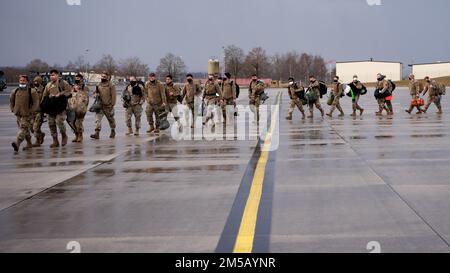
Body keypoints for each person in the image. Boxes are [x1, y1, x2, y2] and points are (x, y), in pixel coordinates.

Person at [43, 69, 72, 147]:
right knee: (51, 124)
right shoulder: (48, 85)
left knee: (59, 122)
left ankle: (64, 135)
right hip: (51, 107)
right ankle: (55, 141)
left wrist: (60, 94)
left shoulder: (63, 83)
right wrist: (44, 106)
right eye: (51, 75)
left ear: (57, 75)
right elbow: (44, 96)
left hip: (61, 106)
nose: (52, 76)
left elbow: (69, 92)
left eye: (54, 75)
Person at [10, 75, 39, 152]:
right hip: (18, 114)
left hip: (27, 114)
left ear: (27, 81)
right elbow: (11, 101)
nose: (22, 82)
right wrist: (13, 109)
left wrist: (31, 112)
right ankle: (29, 143)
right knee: (24, 130)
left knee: (23, 129)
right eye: (20, 80)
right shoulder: (15, 91)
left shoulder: (31, 91)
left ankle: (17, 143)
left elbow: (36, 103)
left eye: (23, 80)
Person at [90, 71, 117, 139]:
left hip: (108, 106)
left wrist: (112, 105)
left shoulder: (111, 85)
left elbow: (114, 96)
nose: (103, 78)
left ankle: (113, 130)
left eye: (104, 77)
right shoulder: (98, 85)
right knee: (97, 120)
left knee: (111, 120)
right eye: (102, 76)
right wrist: (95, 94)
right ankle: (97, 133)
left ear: (107, 77)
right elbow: (95, 93)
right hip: (100, 106)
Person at [68, 73, 89, 142]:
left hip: (81, 108)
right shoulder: (73, 87)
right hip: (73, 107)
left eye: (78, 79)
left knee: (78, 122)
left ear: (81, 79)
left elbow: (86, 98)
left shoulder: (84, 87)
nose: (76, 80)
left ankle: (80, 135)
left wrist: (80, 90)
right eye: (76, 78)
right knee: (72, 122)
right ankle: (76, 134)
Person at [30, 76, 46, 146]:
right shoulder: (32, 90)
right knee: (31, 128)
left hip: (40, 111)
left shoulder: (43, 90)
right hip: (32, 111)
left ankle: (37, 141)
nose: (35, 83)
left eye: (36, 81)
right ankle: (41, 135)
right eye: (34, 81)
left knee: (36, 127)